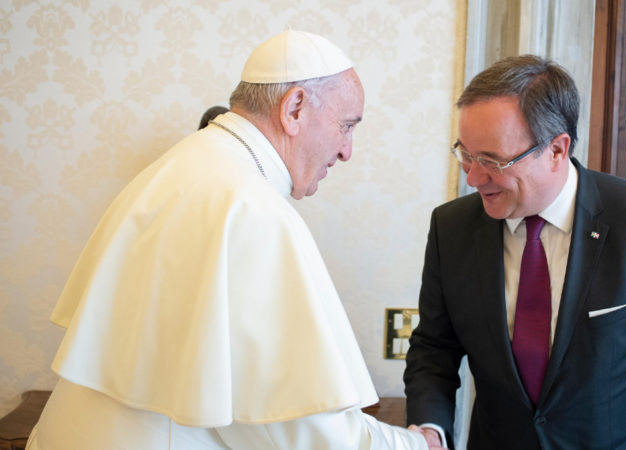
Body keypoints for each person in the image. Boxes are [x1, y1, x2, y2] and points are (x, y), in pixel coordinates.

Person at [27, 30, 441, 450]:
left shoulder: (180, 165)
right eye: (345, 126)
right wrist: (412, 445)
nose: (347, 151)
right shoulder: (252, 207)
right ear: (294, 107)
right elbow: (294, 424)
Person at [403, 55, 626, 449]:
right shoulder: (451, 228)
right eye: (466, 154)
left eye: (492, 160)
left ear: (556, 149)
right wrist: (430, 427)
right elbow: (435, 348)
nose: (473, 177)